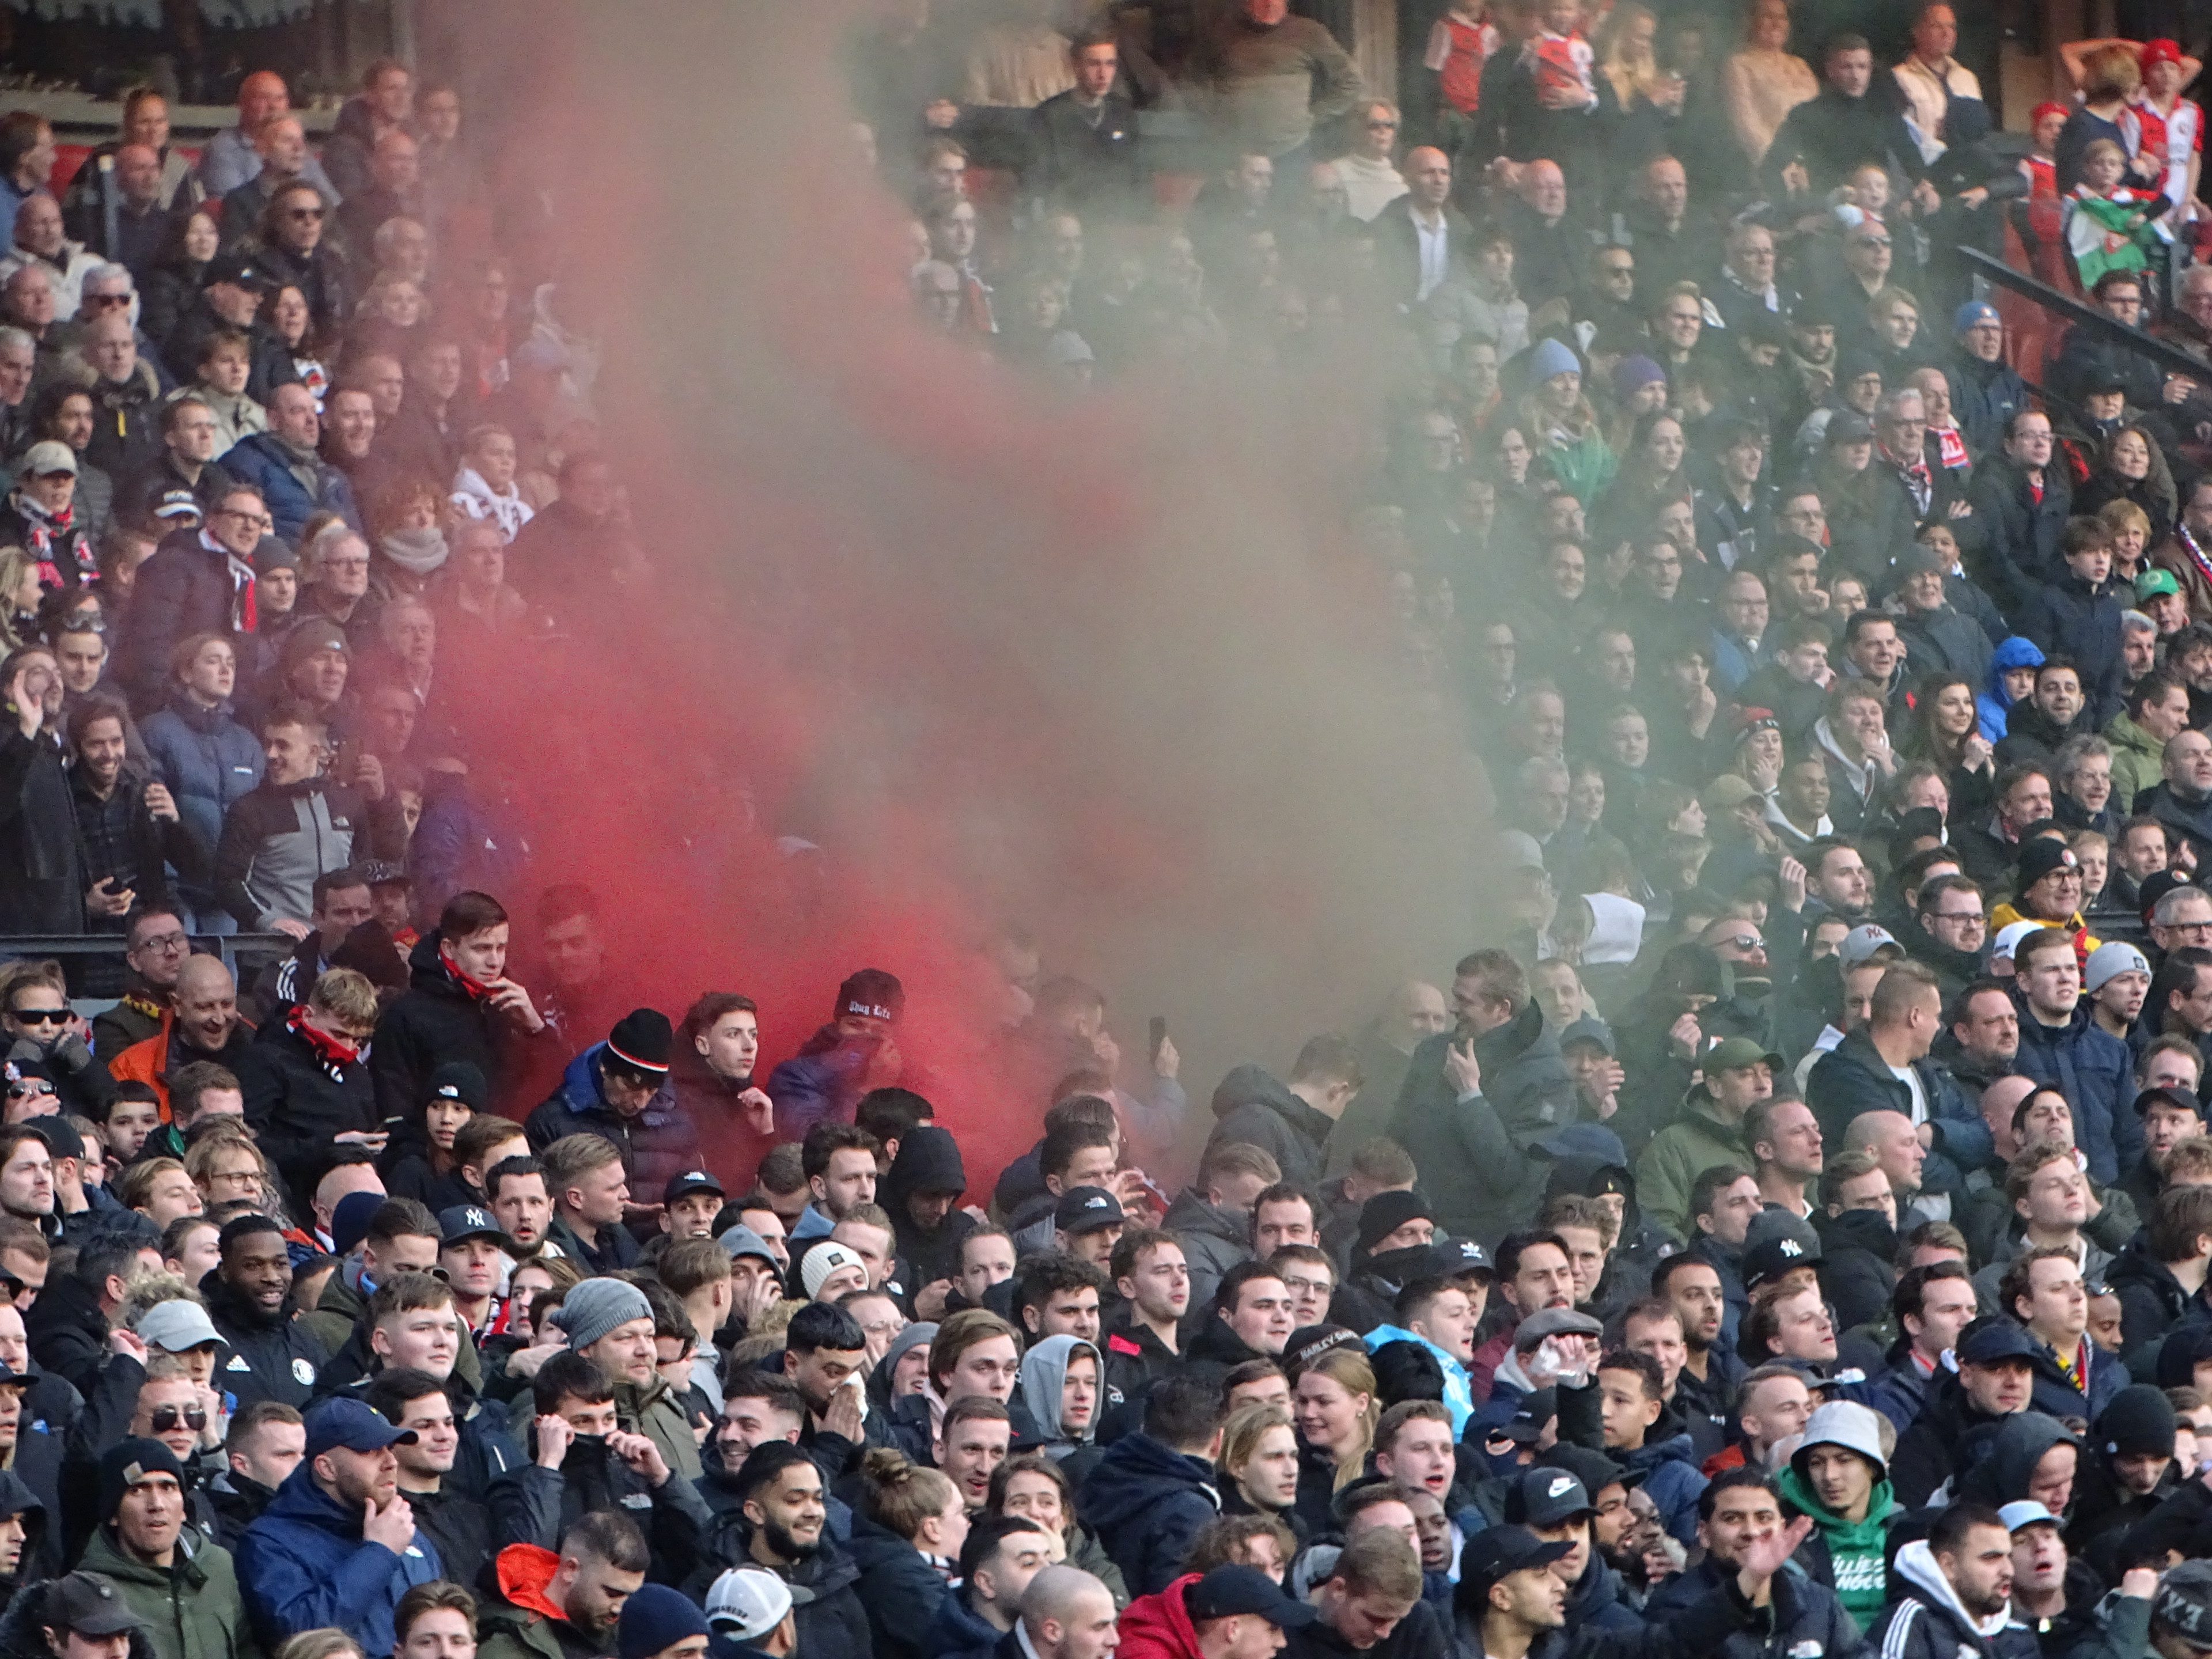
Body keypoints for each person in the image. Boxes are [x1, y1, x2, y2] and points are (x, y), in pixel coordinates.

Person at [236, 1396, 444, 1656]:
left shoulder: (406, 1531)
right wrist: (379, 1553)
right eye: (370, 1451)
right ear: (327, 1468)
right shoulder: (269, 1542)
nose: (391, 1462)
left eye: (390, 1447)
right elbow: (300, 1637)